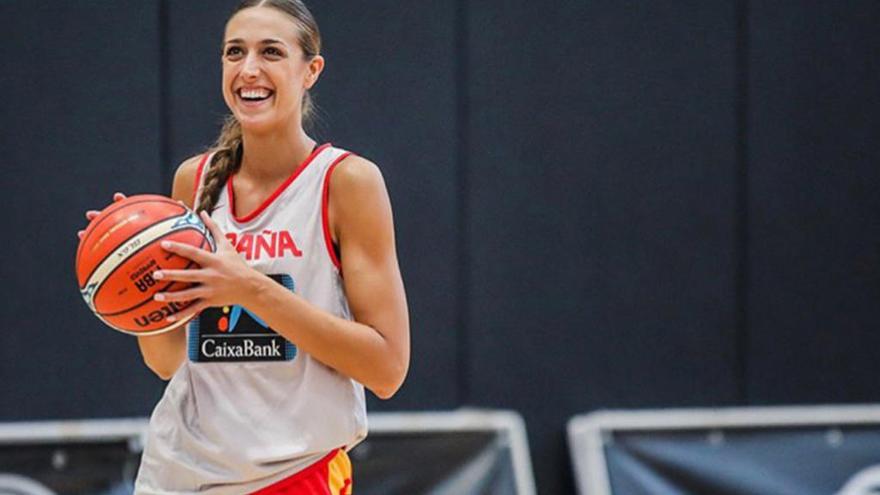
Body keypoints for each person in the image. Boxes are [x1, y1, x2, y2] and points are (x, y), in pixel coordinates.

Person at [78, 1, 409, 493]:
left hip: (293, 475)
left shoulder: (345, 182)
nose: (249, 69)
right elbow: (167, 361)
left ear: (310, 70)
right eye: (235, 52)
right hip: (176, 473)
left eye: (271, 52)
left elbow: (386, 368)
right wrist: (133, 270)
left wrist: (250, 290)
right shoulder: (195, 179)